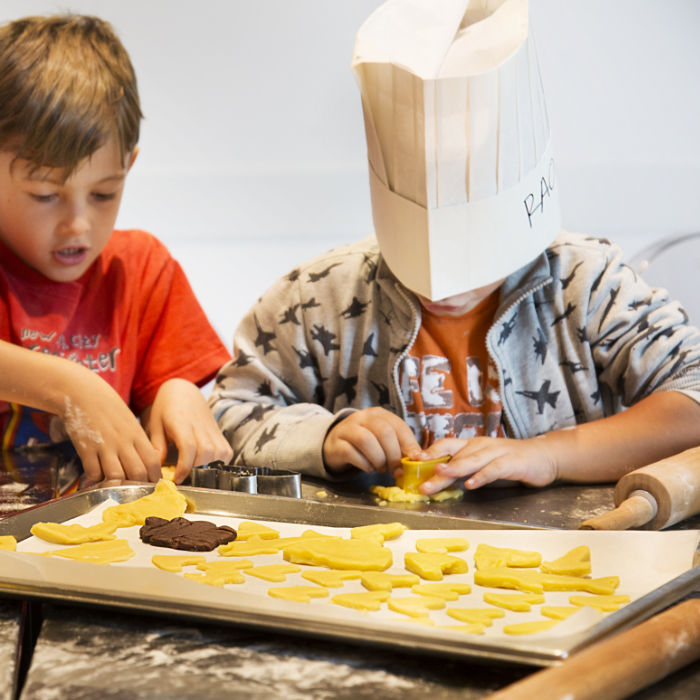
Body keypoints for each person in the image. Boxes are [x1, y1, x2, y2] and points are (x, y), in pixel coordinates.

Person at [209, 0, 700, 496]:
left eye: (474, 259)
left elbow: (693, 393)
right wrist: (324, 437)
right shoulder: (320, 299)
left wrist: (549, 453)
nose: (444, 286)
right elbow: (228, 411)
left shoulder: (586, 286)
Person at [0, 14, 233, 484]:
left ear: (129, 165)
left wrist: (177, 392)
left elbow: (168, 385)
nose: (78, 223)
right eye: (45, 195)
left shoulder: (143, 270)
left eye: (104, 193)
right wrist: (69, 387)